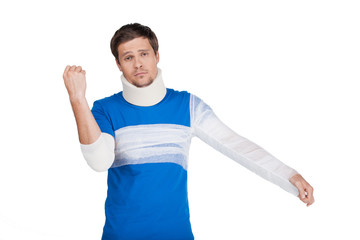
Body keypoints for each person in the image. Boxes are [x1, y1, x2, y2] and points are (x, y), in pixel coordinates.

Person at [63, 23, 314, 240]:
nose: (138, 63)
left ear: (157, 56)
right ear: (118, 64)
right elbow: (99, 161)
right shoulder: (105, 109)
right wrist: (77, 98)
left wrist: (288, 175)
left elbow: (235, 144)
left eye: (144, 53)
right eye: (128, 57)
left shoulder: (187, 106)